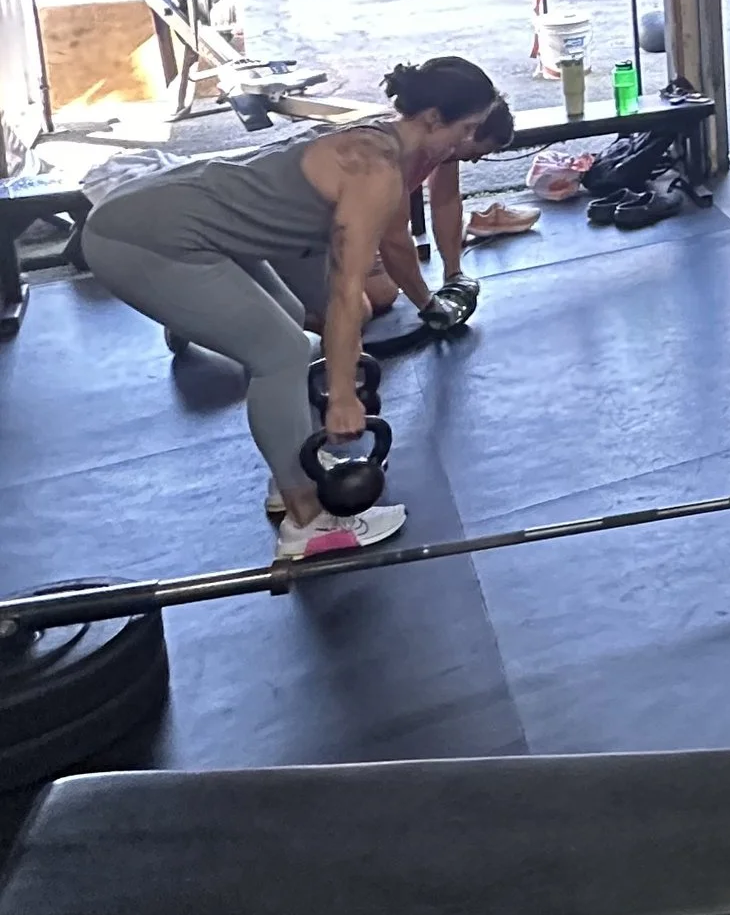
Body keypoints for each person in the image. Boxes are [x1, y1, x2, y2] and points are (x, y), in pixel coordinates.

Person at [83, 57, 515, 562]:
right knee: (282, 353)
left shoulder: (386, 140)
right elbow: (343, 288)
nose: (465, 144)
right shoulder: (374, 170)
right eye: (466, 129)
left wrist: (347, 362)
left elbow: (324, 275)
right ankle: (306, 521)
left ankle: (289, 471)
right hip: (138, 235)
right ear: (434, 119)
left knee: (289, 322)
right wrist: (340, 397)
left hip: (186, 223)